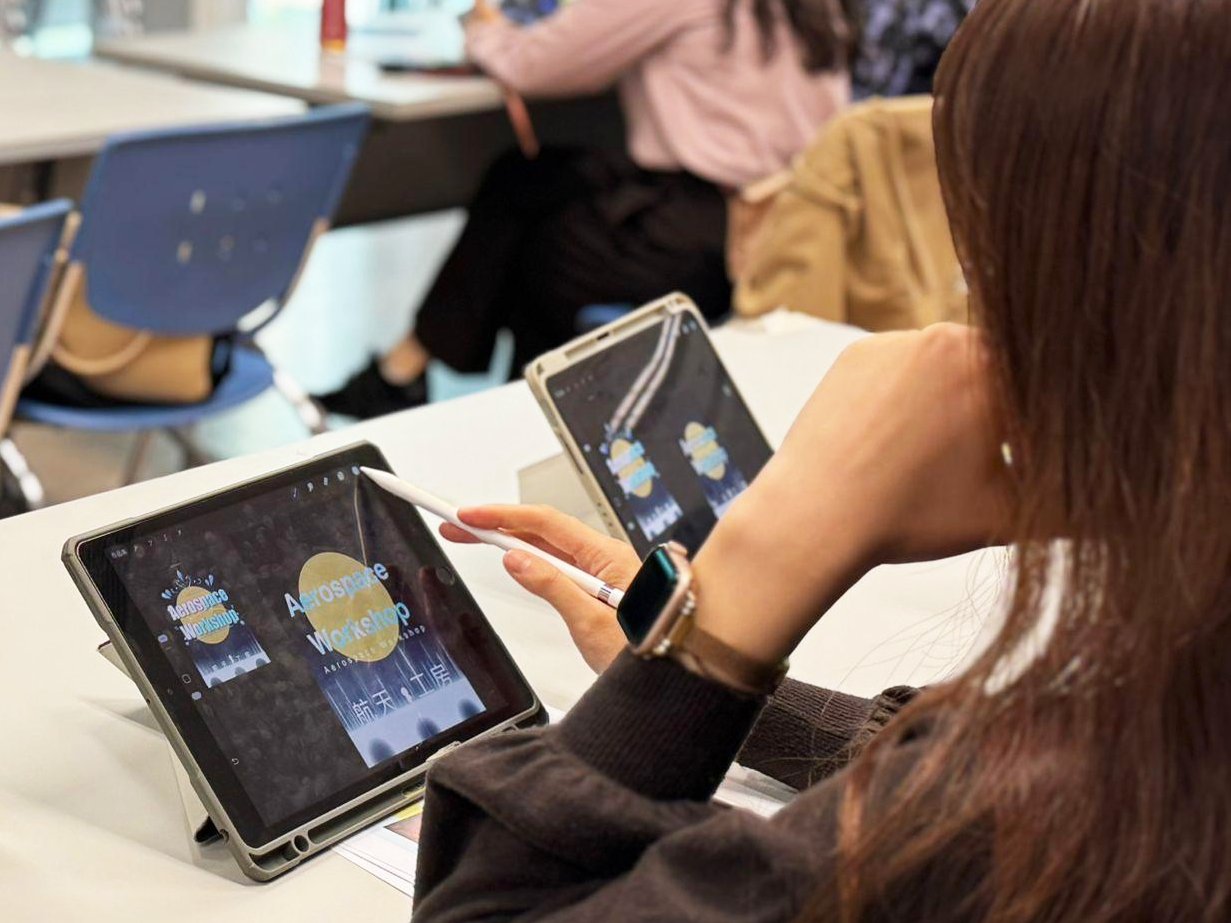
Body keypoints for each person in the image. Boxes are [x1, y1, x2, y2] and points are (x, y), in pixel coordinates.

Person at [407, 0, 1231, 919]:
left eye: (984, 266)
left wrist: (741, 595)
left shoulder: (1081, 807)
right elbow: (973, 765)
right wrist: (695, 695)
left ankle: (400, 362)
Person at [318, 0, 856, 419]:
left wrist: (482, 24)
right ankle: (417, 373)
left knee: (538, 248)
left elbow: (532, 64)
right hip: (789, 228)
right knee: (527, 178)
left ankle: (456, 393)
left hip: (706, 237)